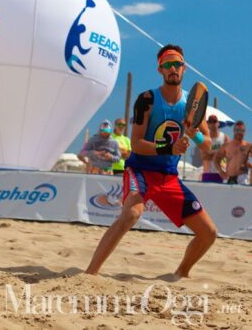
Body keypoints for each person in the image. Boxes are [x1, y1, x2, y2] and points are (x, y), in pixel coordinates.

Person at [85, 44, 216, 279]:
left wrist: (193, 132)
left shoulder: (191, 105)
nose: (173, 68)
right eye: (167, 65)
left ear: (184, 69)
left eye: (177, 64)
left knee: (209, 233)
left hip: (169, 178)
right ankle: (90, 274)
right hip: (141, 171)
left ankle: (180, 273)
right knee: (131, 214)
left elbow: (208, 146)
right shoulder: (147, 99)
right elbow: (135, 143)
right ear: (160, 70)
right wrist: (169, 147)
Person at [200, 114, 228, 182]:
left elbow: (228, 154)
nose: (212, 124)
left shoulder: (224, 137)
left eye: (214, 121)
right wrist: (219, 154)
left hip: (221, 173)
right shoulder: (205, 138)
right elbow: (204, 156)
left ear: (218, 123)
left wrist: (211, 153)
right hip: (208, 173)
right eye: (210, 122)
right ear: (208, 124)